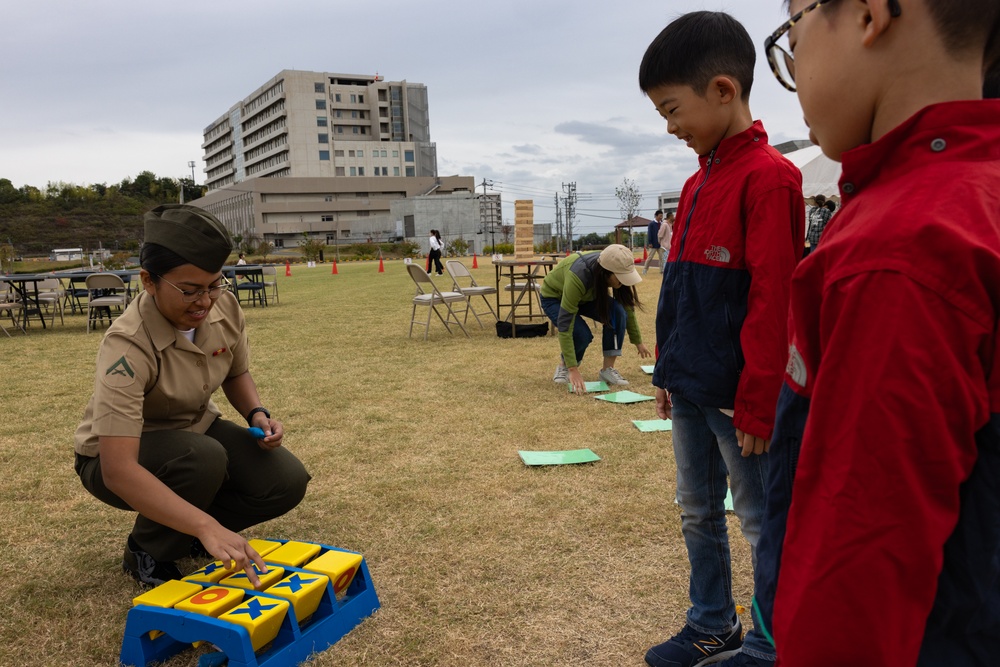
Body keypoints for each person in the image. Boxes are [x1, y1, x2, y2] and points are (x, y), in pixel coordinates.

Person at [753, 1, 1000, 666]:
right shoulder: (978, 195)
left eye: (792, 38)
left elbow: (857, 566)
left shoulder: (901, 247)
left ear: (868, 14)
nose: (793, 70)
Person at [638, 11, 804, 667]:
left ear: (725, 91)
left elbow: (776, 298)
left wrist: (762, 401)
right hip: (692, 385)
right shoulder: (695, 180)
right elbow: (678, 285)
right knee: (697, 511)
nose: (670, 126)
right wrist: (664, 372)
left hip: (743, 400)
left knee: (760, 520)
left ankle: (770, 643)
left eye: (673, 109)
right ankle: (712, 623)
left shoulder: (770, 177)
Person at [74, 204, 311, 588]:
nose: (205, 301)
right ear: (148, 281)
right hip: (114, 456)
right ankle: (146, 550)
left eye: (214, 285)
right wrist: (206, 523)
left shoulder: (225, 306)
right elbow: (118, 469)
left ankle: (185, 533)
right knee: (202, 458)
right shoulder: (127, 344)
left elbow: (236, 371)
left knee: (285, 480)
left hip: (194, 432)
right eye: (189, 290)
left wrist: (256, 413)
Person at [540, 244, 651, 394]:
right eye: (620, 277)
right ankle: (564, 366)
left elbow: (626, 307)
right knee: (581, 334)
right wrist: (573, 368)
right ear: (606, 273)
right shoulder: (579, 276)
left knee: (617, 312)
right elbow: (566, 325)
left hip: (586, 297)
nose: (623, 281)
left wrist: (638, 341)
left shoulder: (611, 262)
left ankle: (607, 370)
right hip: (555, 297)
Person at [643, 210, 666, 275]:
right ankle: (645, 269)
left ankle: (662, 270)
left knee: (662, 258)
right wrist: (650, 242)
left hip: (661, 244)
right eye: (660, 216)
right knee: (650, 257)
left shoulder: (662, 224)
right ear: (656, 216)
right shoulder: (651, 224)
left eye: (662, 216)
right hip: (653, 244)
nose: (661, 217)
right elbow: (649, 233)